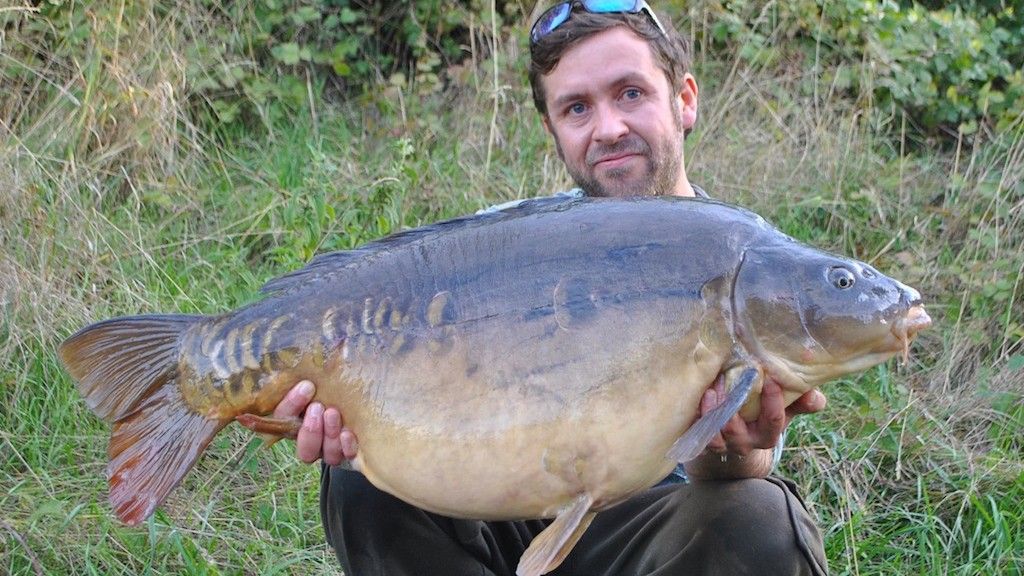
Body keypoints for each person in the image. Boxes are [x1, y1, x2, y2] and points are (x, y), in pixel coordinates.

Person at [273, 2, 830, 574]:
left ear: (683, 99)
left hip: (648, 530)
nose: (609, 127)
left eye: (631, 93)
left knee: (761, 520)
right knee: (361, 484)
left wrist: (737, 449)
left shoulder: (745, 259)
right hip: (502, 498)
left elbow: (724, 467)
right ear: (553, 128)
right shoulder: (506, 241)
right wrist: (346, 411)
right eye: (577, 107)